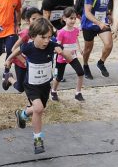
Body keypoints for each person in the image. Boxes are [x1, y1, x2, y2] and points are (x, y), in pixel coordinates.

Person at [6, 18, 72, 154]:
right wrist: (8, 59)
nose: (47, 40)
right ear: (33, 36)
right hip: (31, 85)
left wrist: (62, 52)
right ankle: (38, 140)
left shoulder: (52, 45)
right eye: (43, 37)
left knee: (38, 109)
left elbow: (69, 57)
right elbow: (17, 50)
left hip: (44, 86)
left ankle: (22, 114)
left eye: (49, 37)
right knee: (39, 109)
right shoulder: (28, 47)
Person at [81, 0, 114, 79]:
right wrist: (99, 23)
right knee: (88, 48)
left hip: (102, 21)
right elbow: (87, 12)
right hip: (89, 23)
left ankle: (101, 62)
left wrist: (109, 15)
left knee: (109, 44)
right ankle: (85, 65)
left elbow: (107, 4)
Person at [3, 7, 42, 92]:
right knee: (20, 88)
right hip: (21, 63)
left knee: (33, 83)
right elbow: (14, 49)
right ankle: (9, 78)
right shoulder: (26, 33)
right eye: (34, 19)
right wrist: (23, 61)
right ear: (28, 20)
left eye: (39, 19)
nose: (36, 21)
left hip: (33, 63)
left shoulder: (42, 32)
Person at [51, 7, 85, 102]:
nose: (73, 20)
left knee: (81, 72)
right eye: (71, 18)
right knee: (59, 77)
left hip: (73, 56)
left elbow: (76, 39)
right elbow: (58, 45)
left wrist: (79, 48)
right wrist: (62, 52)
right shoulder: (61, 32)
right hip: (62, 57)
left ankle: (78, 93)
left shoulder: (76, 30)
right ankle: (53, 91)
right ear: (64, 18)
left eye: (74, 18)